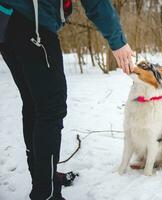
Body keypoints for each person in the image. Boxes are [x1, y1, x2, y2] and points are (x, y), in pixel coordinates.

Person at [0, 0, 134, 199]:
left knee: (34, 105)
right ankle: (46, 192)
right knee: (50, 110)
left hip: (7, 21)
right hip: (32, 22)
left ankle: (44, 179)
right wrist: (118, 40)